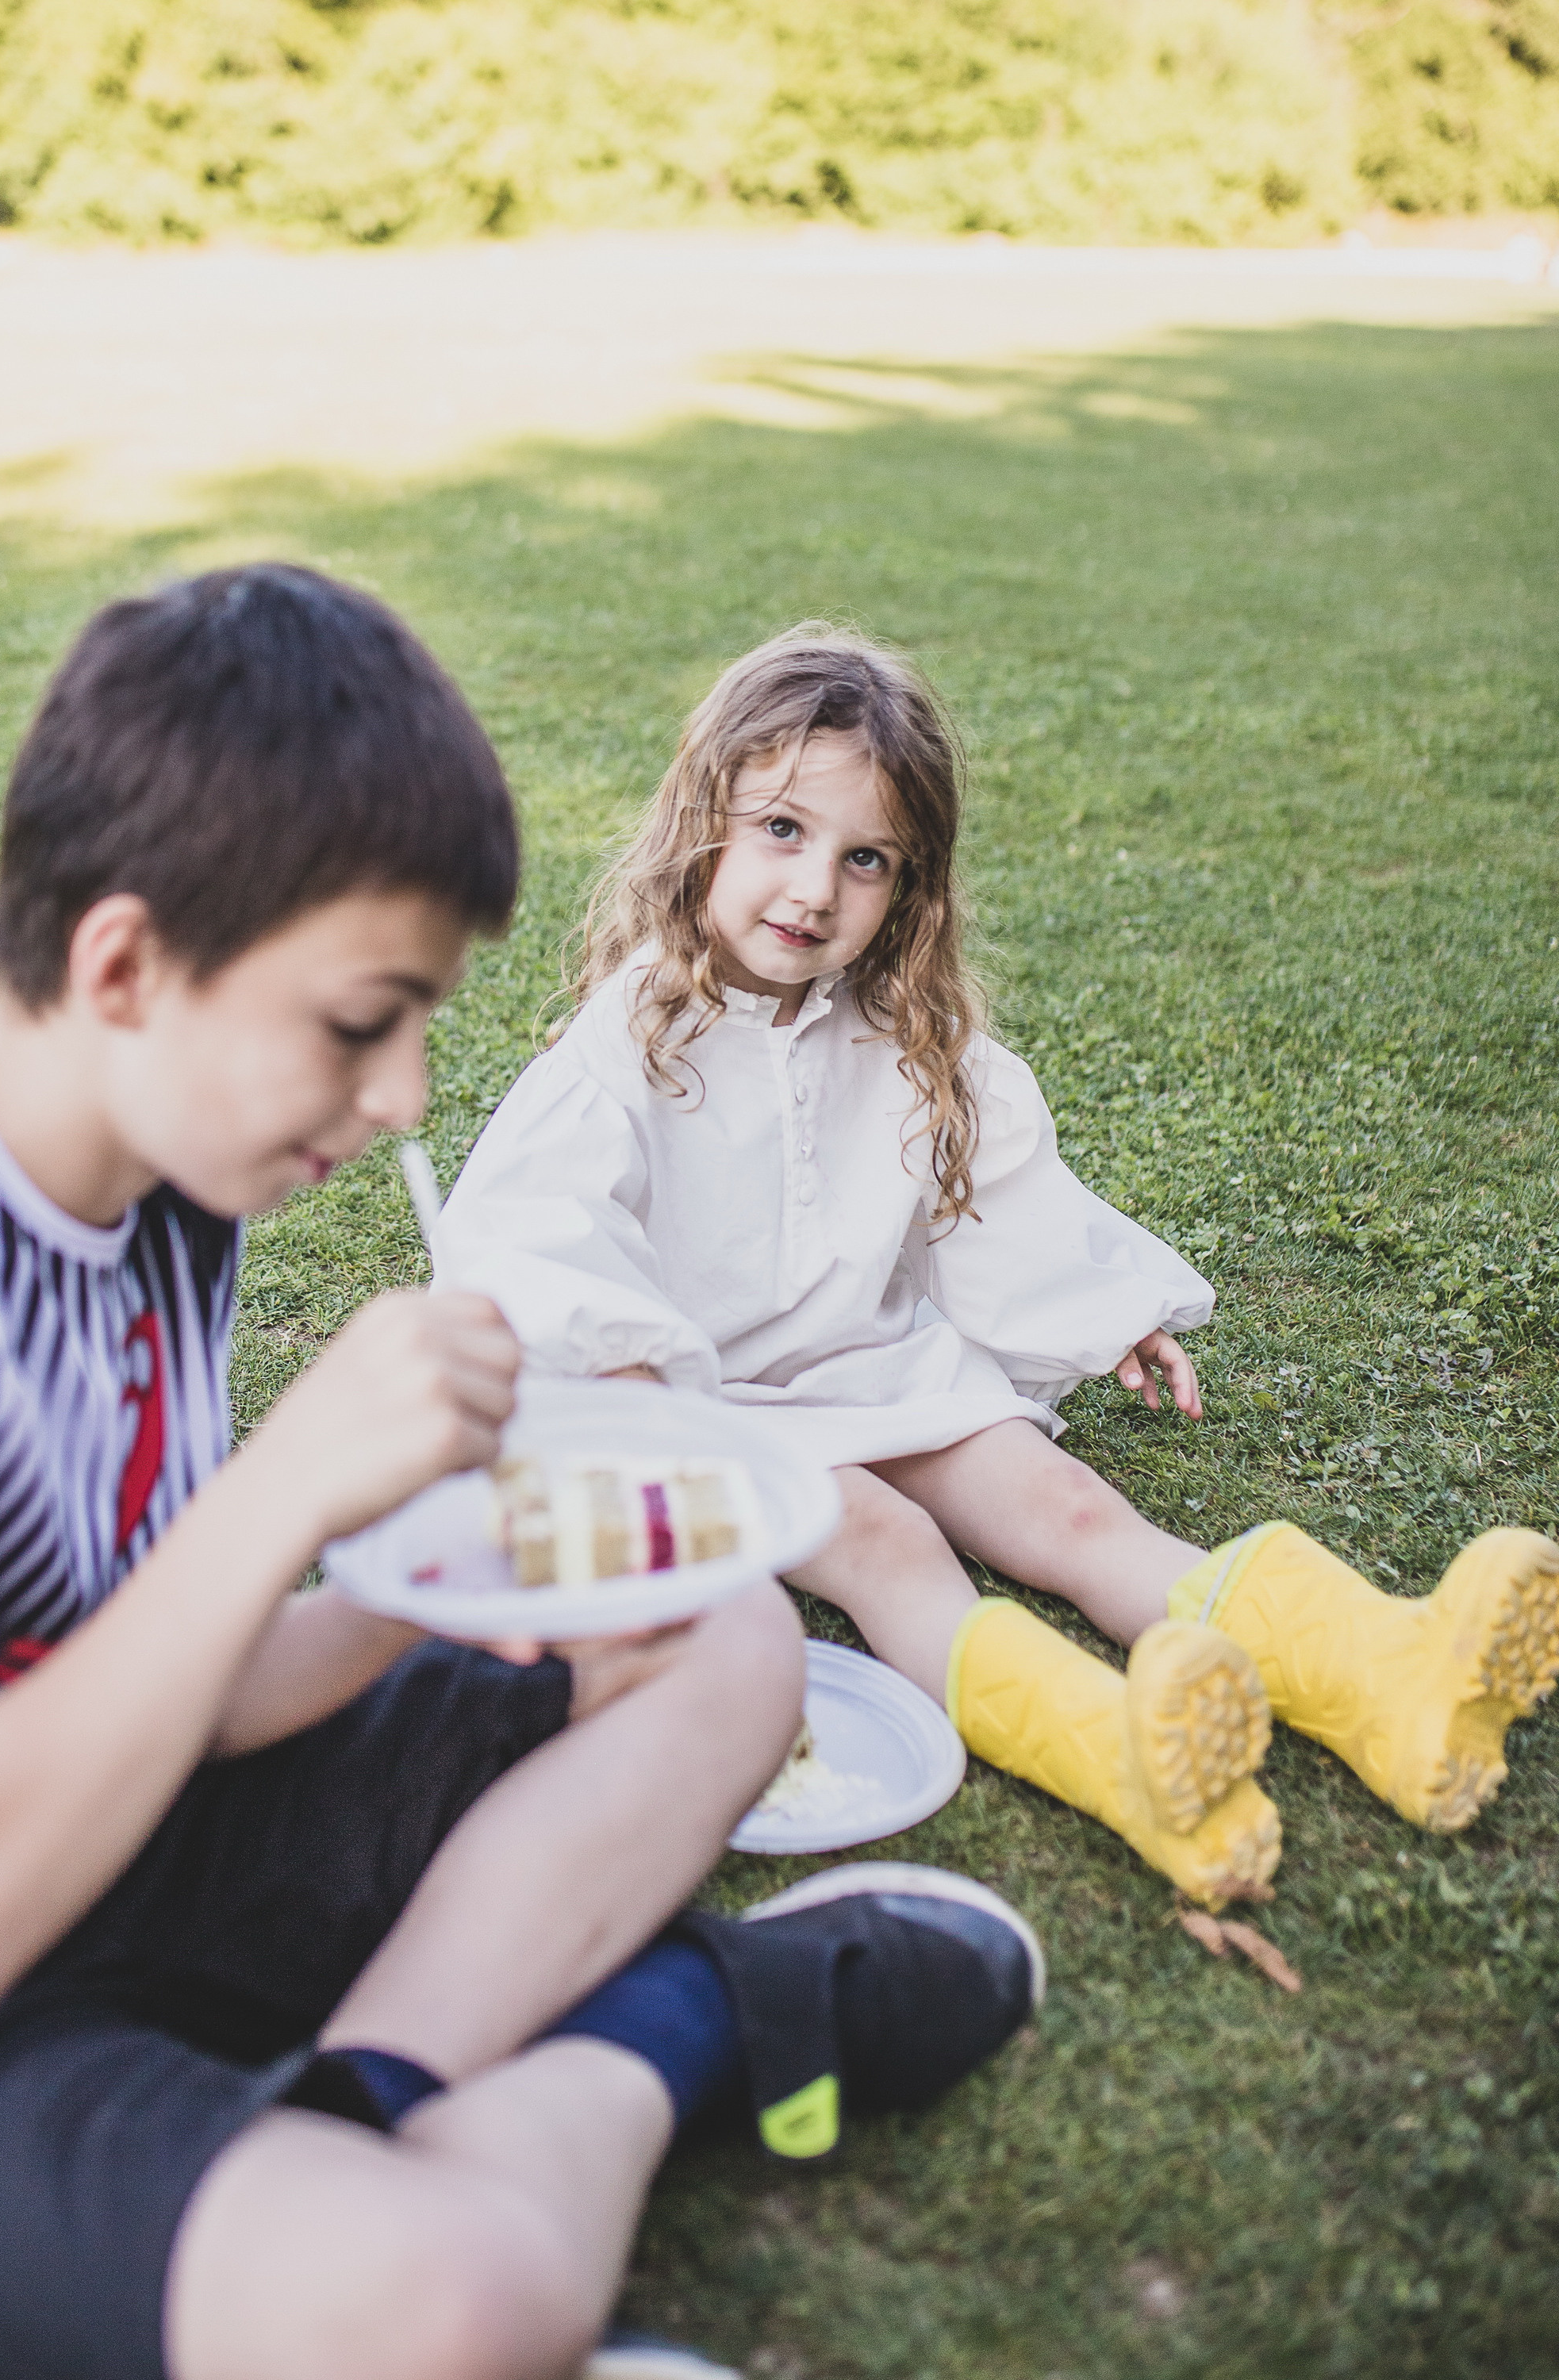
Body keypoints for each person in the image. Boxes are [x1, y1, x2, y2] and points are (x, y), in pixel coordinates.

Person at [0, 571, 1044, 2380]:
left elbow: (154, 1682)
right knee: (458, 2303)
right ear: (125, 967)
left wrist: (434, 1583)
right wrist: (284, 1500)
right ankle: (674, 2020)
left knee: (711, 1640)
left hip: (148, 1846)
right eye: (357, 1023)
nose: (398, 1096)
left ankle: (358, 2105)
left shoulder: (165, 1192)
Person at [444, 624, 1559, 1907]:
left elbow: (998, 1200)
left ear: (909, 883)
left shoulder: (910, 1034)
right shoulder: (632, 1039)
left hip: (874, 1364)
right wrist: (636, 1386)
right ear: (704, 823)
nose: (815, 891)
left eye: (865, 860)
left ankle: (1385, 1676)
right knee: (886, 1539)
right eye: (782, 834)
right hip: (716, 1408)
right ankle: (1119, 1754)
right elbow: (538, 1226)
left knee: (1068, 1508)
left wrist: (1104, 1310)